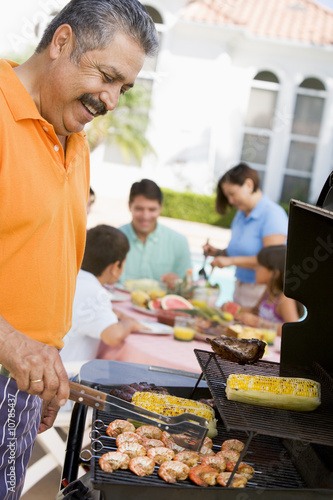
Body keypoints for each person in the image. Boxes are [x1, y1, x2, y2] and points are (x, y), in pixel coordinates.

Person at [0, 0, 158, 497]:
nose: (111, 100)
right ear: (62, 42)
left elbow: (44, 264)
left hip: (24, 377)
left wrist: (47, 357)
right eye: (107, 76)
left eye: (123, 88)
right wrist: (13, 344)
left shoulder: (76, 139)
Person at [204, 163, 288, 308]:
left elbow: (272, 261)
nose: (230, 201)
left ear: (249, 184)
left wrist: (231, 262)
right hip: (240, 286)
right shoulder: (241, 214)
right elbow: (242, 250)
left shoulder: (273, 214)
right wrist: (218, 252)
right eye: (227, 196)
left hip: (261, 291)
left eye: (232, 194)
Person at [60, 225, 143, 364]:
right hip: (68, 375)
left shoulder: (73, 277)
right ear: (115, 267)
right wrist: (129, 324)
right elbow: (113, 336)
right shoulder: (94, 291)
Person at [119, 179, 192, 289]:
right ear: (129, 206)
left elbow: (189, 289)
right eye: (139, 209)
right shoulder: (113, 239)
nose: (145, 216)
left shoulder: (179, 242)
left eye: (152, 209)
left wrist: (179, 284)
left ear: (160, 208)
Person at [228, 245, 303, 336]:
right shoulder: (267, 292)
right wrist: (235, 309)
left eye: (259, 266)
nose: (255, 268)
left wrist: (259, 323)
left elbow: (293, 329)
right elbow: (255, 311)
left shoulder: (284, 298)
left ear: (275, 274)